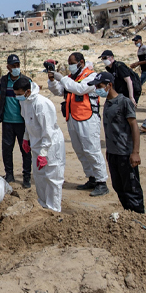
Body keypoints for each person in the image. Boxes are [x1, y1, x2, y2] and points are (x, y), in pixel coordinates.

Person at [47, 52, 109, 197]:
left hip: (88, 118)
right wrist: (52, 80)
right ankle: (91, 177)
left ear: (81, 62)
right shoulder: (69, 78)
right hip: (73, 118)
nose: (70, 66)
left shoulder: (92, 76)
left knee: (92, 150)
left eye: (72, 63)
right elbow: (58, 91)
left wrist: (61, 78)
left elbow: (80, 89)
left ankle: (102, 181)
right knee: (80, 150)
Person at [90, 72, 144, 213]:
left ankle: (138, 217)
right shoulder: (107, 102)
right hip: (112, 153)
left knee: (131, 189)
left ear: (110, 85)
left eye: (100, 86)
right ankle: (128, 215)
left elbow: (134, 127)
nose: (97, 89)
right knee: (118, 187)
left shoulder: (124, 102)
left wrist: (135, 152)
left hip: (125, 153)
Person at [14, 78, 66, 212]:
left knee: (53, 177)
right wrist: (26, 138)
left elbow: (48, 131)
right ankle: (43, 203)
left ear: (28, 91)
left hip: (51, 145)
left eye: (19, 93)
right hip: (37, 144)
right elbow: (27, 122)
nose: (17, 96)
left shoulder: (42, 104)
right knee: (39, 176)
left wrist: (44, 153)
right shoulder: (25, 102)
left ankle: (54, 208)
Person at [0, 54, 32, 188]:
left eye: (18, 65)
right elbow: (0, 98)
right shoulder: (4, 80)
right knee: (7, 149)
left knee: (25, 149)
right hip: (7, 121)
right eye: (13, 66)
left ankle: (26, 177)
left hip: (22, 122)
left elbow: (32, 100)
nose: (16, 68)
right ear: (8, 66)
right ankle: (9, 174)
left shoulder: (26, 80)